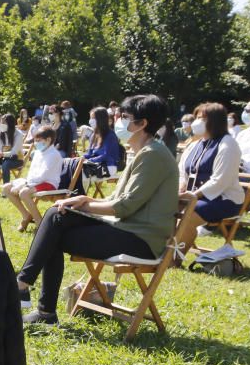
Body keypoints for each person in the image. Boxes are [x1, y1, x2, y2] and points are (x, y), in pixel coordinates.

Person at [16, 94, 179, 325]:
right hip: (126, 228)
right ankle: (30, 294)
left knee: (55, 228)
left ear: (142, 123)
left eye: (124, 117)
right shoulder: (144, 151)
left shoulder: (153, 155)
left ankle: (29, 294)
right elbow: (118, 199)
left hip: (140, 240)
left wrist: (84, 203)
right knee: (56, 215)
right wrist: (82, 200)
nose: (117, 120)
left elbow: (124, 206)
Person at [177, 102, 244, 251]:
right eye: (197, 117)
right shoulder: (194, 144)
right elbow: (183, 172)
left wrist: (193, 196)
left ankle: (173, 259)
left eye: (202, 118)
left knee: (186, 216)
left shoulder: (228, 144)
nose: (197, 122)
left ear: (215, 121)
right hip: (194, 196)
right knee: (164, 209)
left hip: (223, 199)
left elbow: (220, 180)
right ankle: (161, 251)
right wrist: (181, 189)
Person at [2, 126, 62, 231]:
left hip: (49, 183)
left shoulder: (54, 155)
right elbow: (32, 172)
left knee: (24, 192)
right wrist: (25, 182)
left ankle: (40, 223)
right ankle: (26, 215)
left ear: (48, 140)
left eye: (38, 140)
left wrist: (25, 185)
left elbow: (43, 176)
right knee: (6, 187)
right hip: (34, 182)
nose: (35, 143)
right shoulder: (38, 153)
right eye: (35, 140)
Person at [83, 106, 123, 179]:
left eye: (93, 118)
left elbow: (106, 155)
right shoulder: (94, 135)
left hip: (109, 167)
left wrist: (89, 160)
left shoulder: (110, 135)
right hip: (95, 164)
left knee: (80, 175)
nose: (90, 121)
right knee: (74, 170)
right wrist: (81, 158)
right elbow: (89, 154)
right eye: (90, 118)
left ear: (101, 119)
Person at [0, 113, 25, 183]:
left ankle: (6, 189)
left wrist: (2, 154)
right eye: (1, 122)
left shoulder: (18, 134)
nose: (1, 124)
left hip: (17, 159)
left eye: (4, 123)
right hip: (3, 158)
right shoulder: (0, 133)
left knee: (5, 164)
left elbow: (14, 152)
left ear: (10, 124)